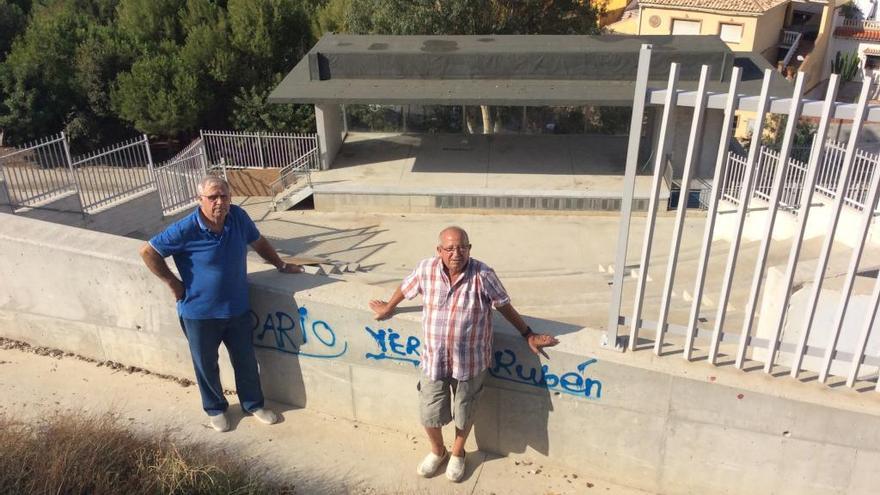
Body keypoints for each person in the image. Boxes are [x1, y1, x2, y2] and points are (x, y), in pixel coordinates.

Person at [369, 226, 559, 482]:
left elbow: (503, 305)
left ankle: (458, 453)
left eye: (462, 247)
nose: (456, 253)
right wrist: (389, 307)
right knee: (429, 410)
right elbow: (406, 287)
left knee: (465, 409)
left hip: (470, 361)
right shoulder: (426, 269)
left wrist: (528, 333)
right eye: (449, 248)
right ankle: (438, 451)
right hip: (433, 359)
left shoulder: (483, 274)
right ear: (439, 251)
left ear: (469, 248)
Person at [139, 175, 303, 432]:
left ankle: (253, 404)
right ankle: (215, 409)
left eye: (223, 196)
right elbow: (148, 252)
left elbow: (258, 242)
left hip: (236, 308)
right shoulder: (186, 228)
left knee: (246, 360)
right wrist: (173, 283)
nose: (219, 202)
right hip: (199, 312)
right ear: (200, 200)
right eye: (212, 197)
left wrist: (281, 265)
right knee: (206, 364)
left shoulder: (238, 217)